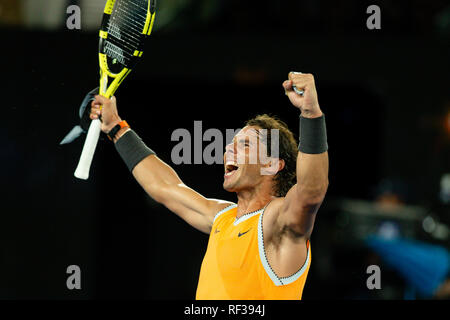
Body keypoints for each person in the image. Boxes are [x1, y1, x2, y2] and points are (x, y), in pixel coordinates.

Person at [89, 72, 329, 299]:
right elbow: (165, 186)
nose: (228, 150)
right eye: (231, 143)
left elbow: (311, 191)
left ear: (272, 164)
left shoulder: (277, 221)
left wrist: (311, 113)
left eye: (244, 144)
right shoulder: (222, 218)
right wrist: (115, 127)